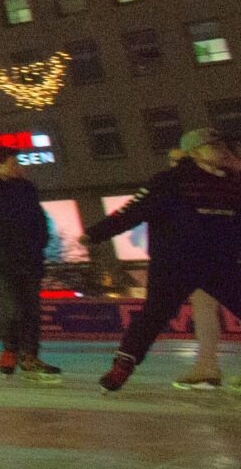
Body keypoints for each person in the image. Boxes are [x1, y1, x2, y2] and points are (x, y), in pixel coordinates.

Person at [93, 129, 241, 393]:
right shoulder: (171, 180)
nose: (222, 150)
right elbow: (133, 211)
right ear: (196, 152)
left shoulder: (232, 181)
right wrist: (95, 233)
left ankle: (207, 367)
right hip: (175, 264)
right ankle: (122, 366)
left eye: (223, 145)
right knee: (154, 314)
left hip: (219, 263)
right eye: (214, 145)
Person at [0, 145, 61, 381]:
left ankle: (30, 356)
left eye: (18, 163)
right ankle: (9, 348)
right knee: (13, 307)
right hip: (0, 259)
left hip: (29, 258)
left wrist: (40, 242)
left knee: (31, 310)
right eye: (13, 163)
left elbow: (39, 217)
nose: (18, 168)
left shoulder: (26, 188)